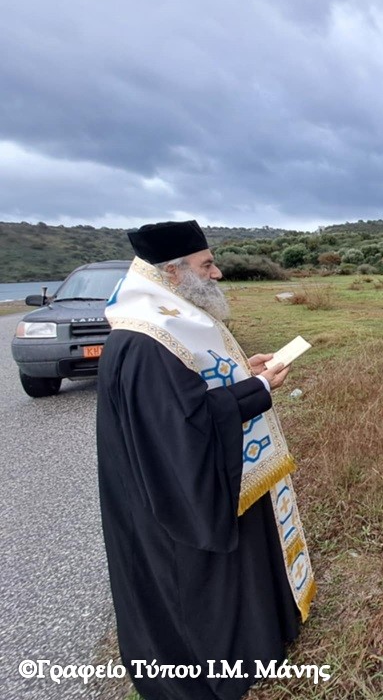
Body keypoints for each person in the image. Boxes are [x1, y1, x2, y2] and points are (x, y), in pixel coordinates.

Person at [96, 220, 315, 700]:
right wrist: (256, 391)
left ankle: (260, 638)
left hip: (193, 473)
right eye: (206, 264)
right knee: (194, 583)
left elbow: (194, 388)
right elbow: (184, 426)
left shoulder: (170, 321)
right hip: (175, 499)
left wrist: (244, 373)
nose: (216, 274)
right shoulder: (145, 339)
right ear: (173, 274)